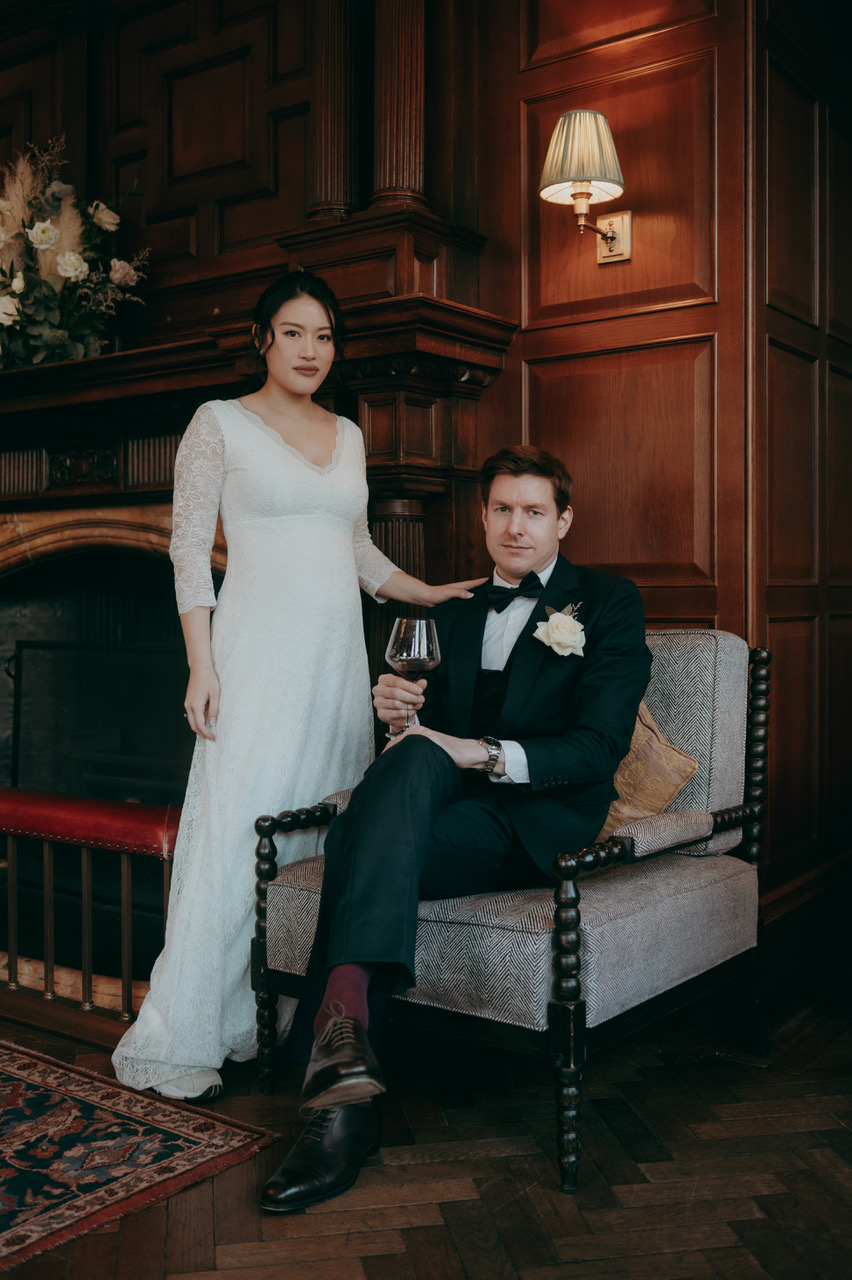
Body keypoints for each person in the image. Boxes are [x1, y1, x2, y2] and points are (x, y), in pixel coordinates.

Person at [111, 270, 482, 1102]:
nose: (310, 350)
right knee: (239, 835)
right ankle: (193, 1031)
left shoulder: (348, 434)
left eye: (323, 336)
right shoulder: (218, 424)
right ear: (262, 339)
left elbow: (353, 550)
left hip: (337, 663)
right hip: (254, 655)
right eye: (293, 333)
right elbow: (184, 554)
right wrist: (202, 666)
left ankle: (290, 1017)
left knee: (323, 831)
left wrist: (426, 592)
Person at [260, 443, 653, 1214]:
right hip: (444, 808)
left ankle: (338, 1075)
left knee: (354, 839)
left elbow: (599, 746)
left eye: (534, 511)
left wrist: (475, 751)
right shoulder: (455, 609)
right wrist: (399, 712)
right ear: (483, 516)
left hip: (532, 823)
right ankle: (346, 1084)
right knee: (403, 766)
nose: (515, 527)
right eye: (502, 509)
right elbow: (423, 734)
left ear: (563, 520)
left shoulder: (607, 602)